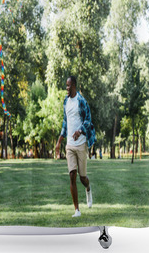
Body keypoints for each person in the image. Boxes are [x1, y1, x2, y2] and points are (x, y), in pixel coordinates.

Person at [55, 76, 96, 218]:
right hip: (70, 145)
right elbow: (65, 122)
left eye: (68, 86)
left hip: (81, 143)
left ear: (74, 86)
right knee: (72, 175)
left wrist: (80, 131)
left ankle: (88, 188)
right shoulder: (66, 102)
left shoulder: (81, 101)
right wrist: (59, 141)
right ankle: (77, 210)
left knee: (82, 177)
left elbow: (88, 120)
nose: (66, 88)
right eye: (66, 85)